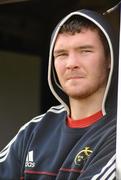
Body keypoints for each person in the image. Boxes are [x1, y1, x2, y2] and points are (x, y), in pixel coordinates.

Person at [0, 9, 118, 179]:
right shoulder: (34, 129)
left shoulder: (117, 132)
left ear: (109, 59)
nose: (71, 64)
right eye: (62, 54)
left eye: (85, 51)